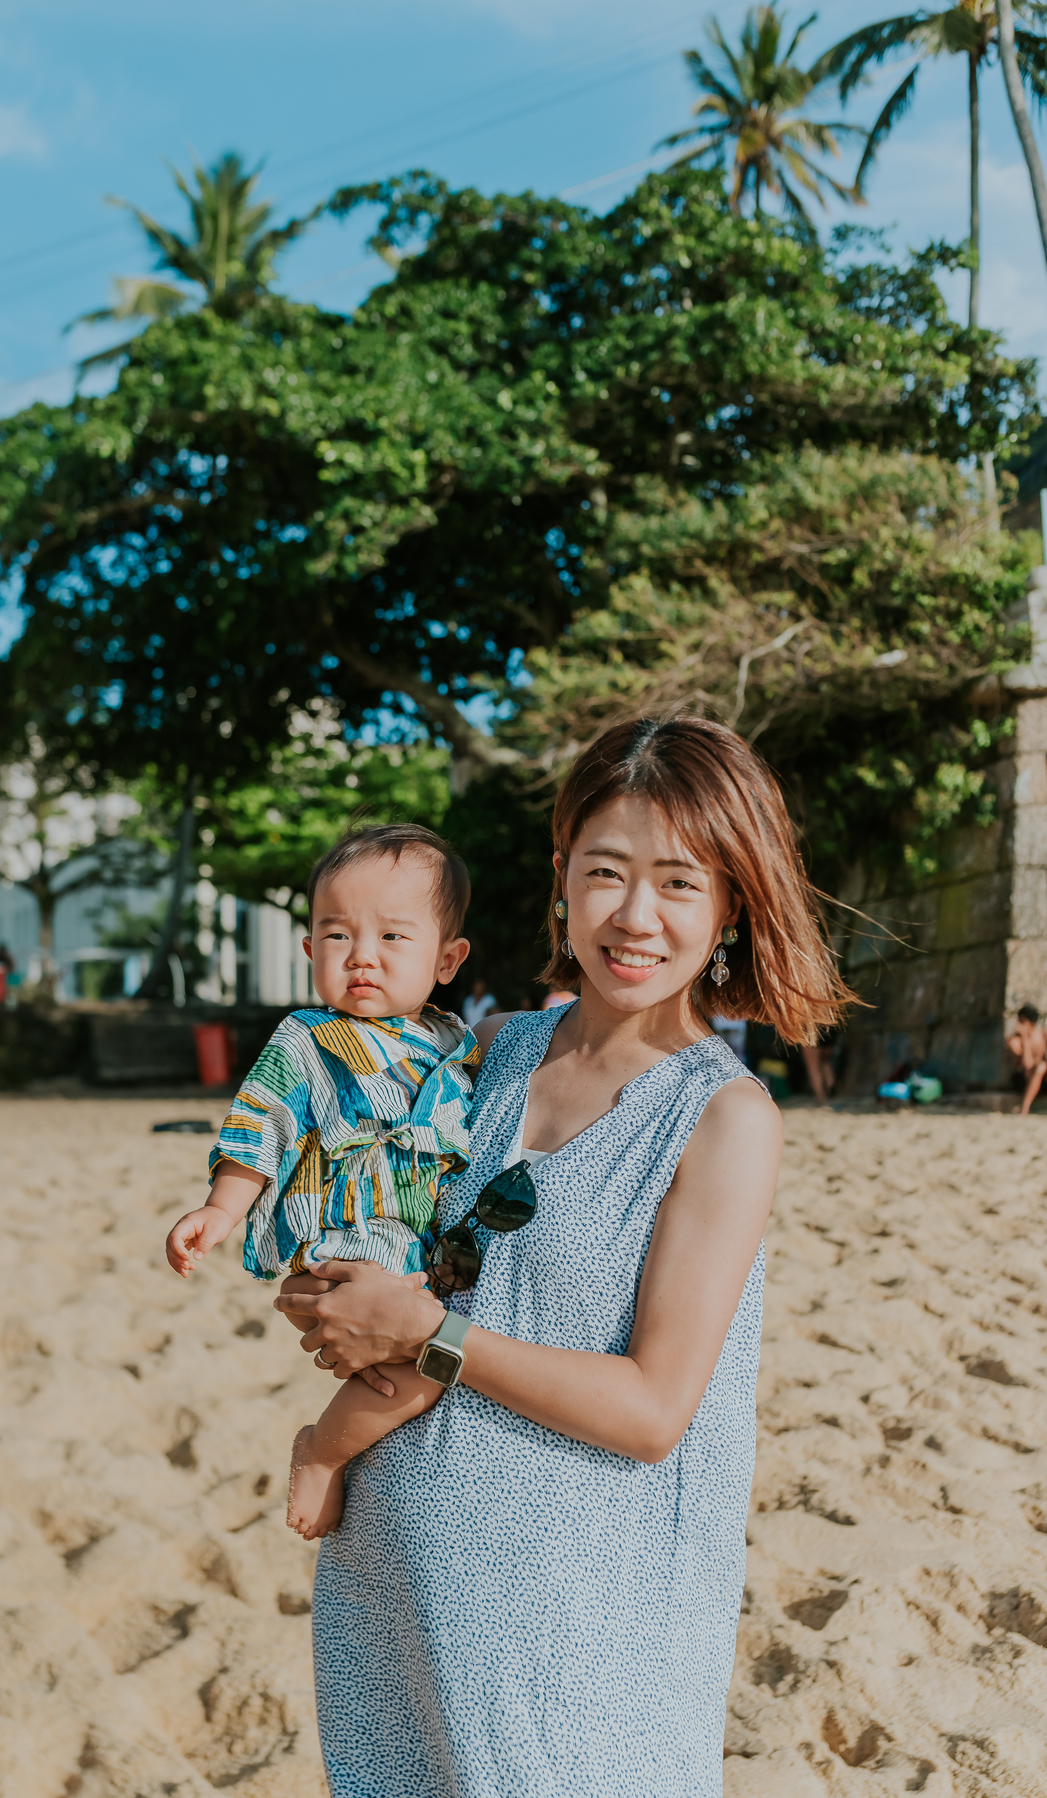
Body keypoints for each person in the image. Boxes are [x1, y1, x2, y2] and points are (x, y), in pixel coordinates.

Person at [274, 715, 852, 1798]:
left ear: (731, 902)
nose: (635, 916)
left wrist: (426, 1334)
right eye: (606, 872)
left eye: (680, 882)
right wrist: (330, 1285)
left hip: (581, 1629)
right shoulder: (488, 1048)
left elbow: (652, 1410)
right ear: (561, 879)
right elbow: (377, 1205)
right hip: (396, 1586)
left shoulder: (723, 1118)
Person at [164, 823, 478, 1539]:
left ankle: (355, 1443)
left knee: (436, 1351)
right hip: (347, 1234)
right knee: (430, 1362)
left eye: (393, 939)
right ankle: (323, 1452)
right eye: (337, 937)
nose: (362, 956)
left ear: (447, 958)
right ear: (310, 950)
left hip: (416, 1239)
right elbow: (261, 1122)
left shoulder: (451, 1043)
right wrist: (221, 1209)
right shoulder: (306, 1039)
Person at [1008, 1003, 1047, 1116]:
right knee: (1040, 1067)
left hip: (1043, 1080)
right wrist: (1025, 1040)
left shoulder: (1045, 1035)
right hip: (1023, 1080)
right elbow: (1026, 1065)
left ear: (1032, 1023)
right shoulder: (1014, 1040)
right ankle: (1025, 1108)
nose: (1019, 1025)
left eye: (1022, 1022)